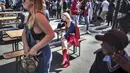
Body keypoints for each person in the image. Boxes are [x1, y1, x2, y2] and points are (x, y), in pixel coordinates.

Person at [22, 0, 55, 73]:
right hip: (33, 55)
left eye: (25, 0)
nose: (23, 1)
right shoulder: (30, 15)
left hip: (41, 56)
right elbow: (24, 33)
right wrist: (25, 45)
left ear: (32, 1)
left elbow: (51, 35)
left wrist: (34, 48)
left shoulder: (38, 15)